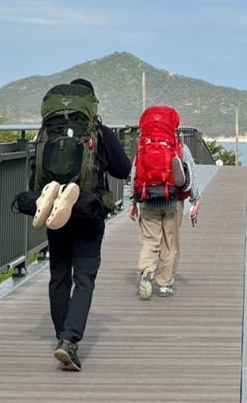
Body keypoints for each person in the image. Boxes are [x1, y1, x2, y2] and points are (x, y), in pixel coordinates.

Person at [35, 78, 131, 372]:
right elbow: (124, 169)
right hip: (89, 210)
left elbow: (34, 171)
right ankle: (70, 340)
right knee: (84, 278)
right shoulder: (98, 132)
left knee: (59, 275)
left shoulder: (46, 132)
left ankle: (61, 335)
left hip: (55, 214)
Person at [128, 133, 200, 299]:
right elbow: (190, 172)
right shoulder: (179, 145)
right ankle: (164, 284)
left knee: (150, 240)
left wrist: (133, 202)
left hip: (147, 200)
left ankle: (147, 270)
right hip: (172, 201)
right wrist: (195, 199)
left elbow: (135, 172)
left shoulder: (144, 145)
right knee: (170, 242)